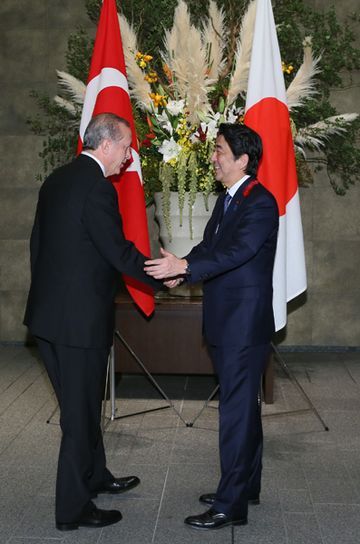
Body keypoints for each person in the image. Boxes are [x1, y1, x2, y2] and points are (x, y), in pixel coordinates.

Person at [24, 113, 161, 531]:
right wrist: (163, 271)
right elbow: (118, 252)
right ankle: (73, 509)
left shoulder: (57, 180)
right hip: (78, 325)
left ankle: (96, 475)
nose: (128, 155)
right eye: (125, 147)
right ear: (105, 145)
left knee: (81, 406)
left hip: (48, 318)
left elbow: (37, 245)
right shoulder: (98, 188)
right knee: (80, 417)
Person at [144, 123, 279, 530]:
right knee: (244, 409)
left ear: (242, 159)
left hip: (243, 324)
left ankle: (229, 505)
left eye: (219, 150)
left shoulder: (260, 202)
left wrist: (185, 266)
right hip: (227, 320)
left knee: (235, 414)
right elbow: (209, 249)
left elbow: (238, 253)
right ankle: (245, 485)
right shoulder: (228, 200)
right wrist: (180, 272)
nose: (214, 157)